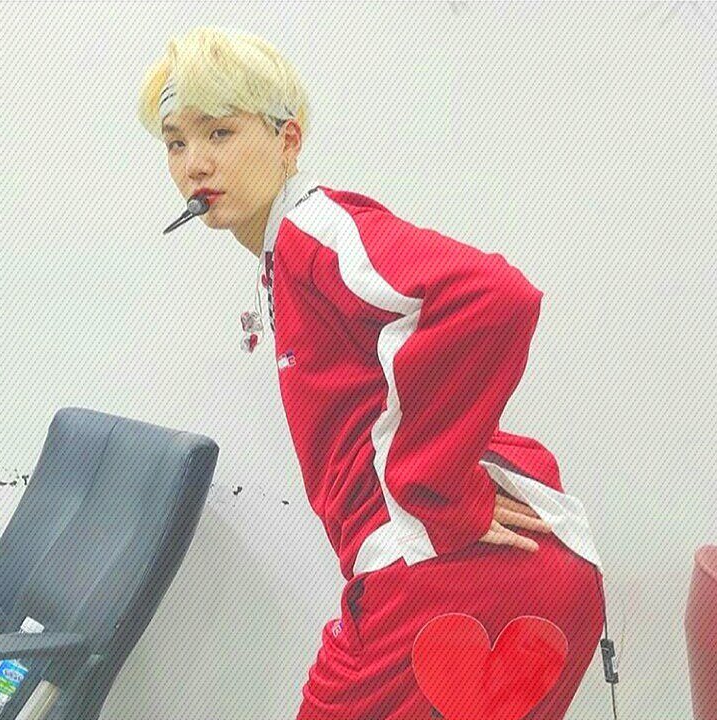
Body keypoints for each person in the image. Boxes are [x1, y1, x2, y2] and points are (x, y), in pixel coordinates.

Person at [137, 26, 606, 720]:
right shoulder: (287, 253)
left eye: (221, 133)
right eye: (176, 143)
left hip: (445, 586)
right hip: (477, 584)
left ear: (288, 138)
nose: (195, 163)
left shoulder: (315, 232)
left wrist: (436, 492)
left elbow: (494, 296)